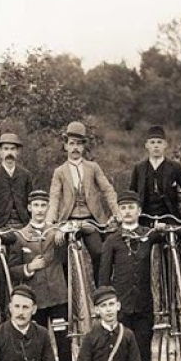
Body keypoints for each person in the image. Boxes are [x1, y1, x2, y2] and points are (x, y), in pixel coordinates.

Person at [8, 189, 73, 361]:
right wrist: (29, 267)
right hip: (35, 303)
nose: (39, 210)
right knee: (37, 351)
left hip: (58, 299)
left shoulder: (56, 232)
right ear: (29, 208)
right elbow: (12, 269)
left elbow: (69, 254)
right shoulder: (20, 236)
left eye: (43, 205)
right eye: (35, 205)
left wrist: (65, 231)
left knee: (64, 348)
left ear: (48, 208)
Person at [98, 190, 167, 361]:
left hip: (144, 304)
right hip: (120, 305)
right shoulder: (112, 240)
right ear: (118, 213)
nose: (127, 212)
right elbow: (103, 277)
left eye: (131, 207)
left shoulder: (149, 235)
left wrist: (163, 227)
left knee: (143, 347)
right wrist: (105, 304)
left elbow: (180, 235)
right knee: (120, 349)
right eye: (123, 208)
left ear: (139, 211)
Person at [48, 121, 119, 282]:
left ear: (83, 147)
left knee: (100, 252)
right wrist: (49, 221)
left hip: (90, 220)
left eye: (79, 144)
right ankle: (69, 294)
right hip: (68, 221)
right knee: (61, 257)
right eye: (72, 143)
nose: (75, 148)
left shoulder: (93, 167)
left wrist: (117, 212)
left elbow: (107, 189)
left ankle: (101, 291)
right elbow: (54, 197)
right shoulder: (59, 172)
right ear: (65, 146)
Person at [128, 125, 181, 224]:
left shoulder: (174, 167)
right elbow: (131, 195)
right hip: (144, 219)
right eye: (152, 142)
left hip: (169, 218)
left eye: (159, 142)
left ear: (165, 145)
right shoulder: (139, 168)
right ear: (146, 145)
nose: (156, 146)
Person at [0, 133, 35, 230]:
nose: (9, 153)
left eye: (12, 149)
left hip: (23, 225)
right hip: (0, 225)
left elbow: (32, 203)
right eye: (6, 149)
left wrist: (32, 225)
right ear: (0, 152)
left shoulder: (26, 175)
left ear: (17, 152)